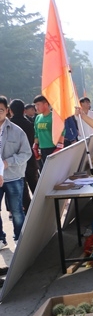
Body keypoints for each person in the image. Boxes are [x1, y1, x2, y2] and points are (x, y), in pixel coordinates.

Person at [0, 96, 32, 248]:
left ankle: (20, 237)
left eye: (0, 110)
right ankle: (1, 238)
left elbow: (26, 153)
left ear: (7, 111)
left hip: (13, 177)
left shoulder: (17, 131)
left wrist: (8, 162)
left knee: (17, 210)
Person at [9, 99, 39, 212]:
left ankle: (28, 210)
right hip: (30, 158)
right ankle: (40, 208)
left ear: (10, 111)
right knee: (34, 184)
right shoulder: (29, 123)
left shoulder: (8, 125)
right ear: (23, 110)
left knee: (22, 188)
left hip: (15, 160)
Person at [33, 95, 63, 167]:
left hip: (53, 148)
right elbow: (36, 133)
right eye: (35, 105)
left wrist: (59, 148)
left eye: (38, 105)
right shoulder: (38, 118)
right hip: (42, 150)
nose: (36, 108)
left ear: (46, 104)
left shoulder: (55, 117)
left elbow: (61, 133)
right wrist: (35, 146)